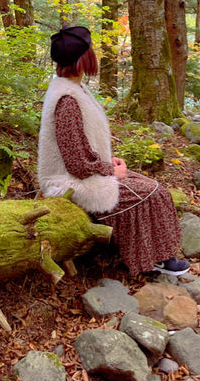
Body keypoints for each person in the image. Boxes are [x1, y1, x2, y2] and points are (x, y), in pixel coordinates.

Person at [37, 24, 190, 277]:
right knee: (152, 193)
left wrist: (107, 161)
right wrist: (109, 170)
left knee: (154, 188)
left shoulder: (72, 88)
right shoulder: (67, 101)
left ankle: (159, 254)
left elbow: (80, 147)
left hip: (85, 172)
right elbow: (76, 164)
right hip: (70, 182)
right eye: (90, 50)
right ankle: (151, 259)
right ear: (82, 58)